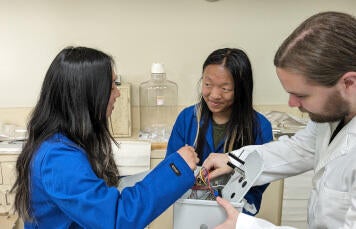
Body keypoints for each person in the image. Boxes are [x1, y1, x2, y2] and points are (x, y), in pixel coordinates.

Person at [11, 46, 199, 228]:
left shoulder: (68, 142)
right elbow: (116, 219)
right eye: (112, 86)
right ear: (86, 95)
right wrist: (176, 168)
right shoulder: (58, 158)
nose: (117, 93)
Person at [202, 11, 356, 229]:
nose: (292, 103)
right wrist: (233, 160)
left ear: (348, 83)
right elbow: (298, 149)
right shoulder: (331, 118)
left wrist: (245, 225)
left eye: (302, 95)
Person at [166, 48, 273, 215]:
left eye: (225, 88)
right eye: (208, 85)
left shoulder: (259, 126)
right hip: (190, 211)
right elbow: (171, 169)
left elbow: (259, 179)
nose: (214, 95)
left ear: (241, 89)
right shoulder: (187, 119)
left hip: (236, 214)